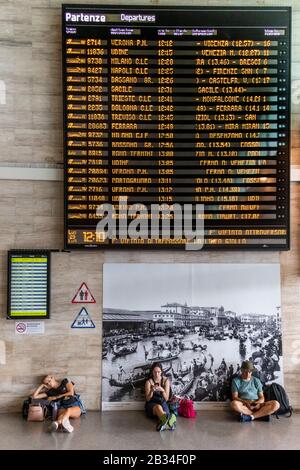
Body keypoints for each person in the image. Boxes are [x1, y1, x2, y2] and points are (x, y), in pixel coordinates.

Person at [144, 362, 176, 431]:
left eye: (158, 372)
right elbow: (148, 399)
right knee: (158, 407)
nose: (157, 374)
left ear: (161, 371)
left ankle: (164, 421)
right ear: (152, 372)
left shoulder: (165, 380)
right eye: (155, 372)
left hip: (163, 402)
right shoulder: (149, 382)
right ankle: (169, 420)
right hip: (152, 404)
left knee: (162, 411)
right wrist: (151, 391)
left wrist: (162, 390)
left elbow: (166, 399)